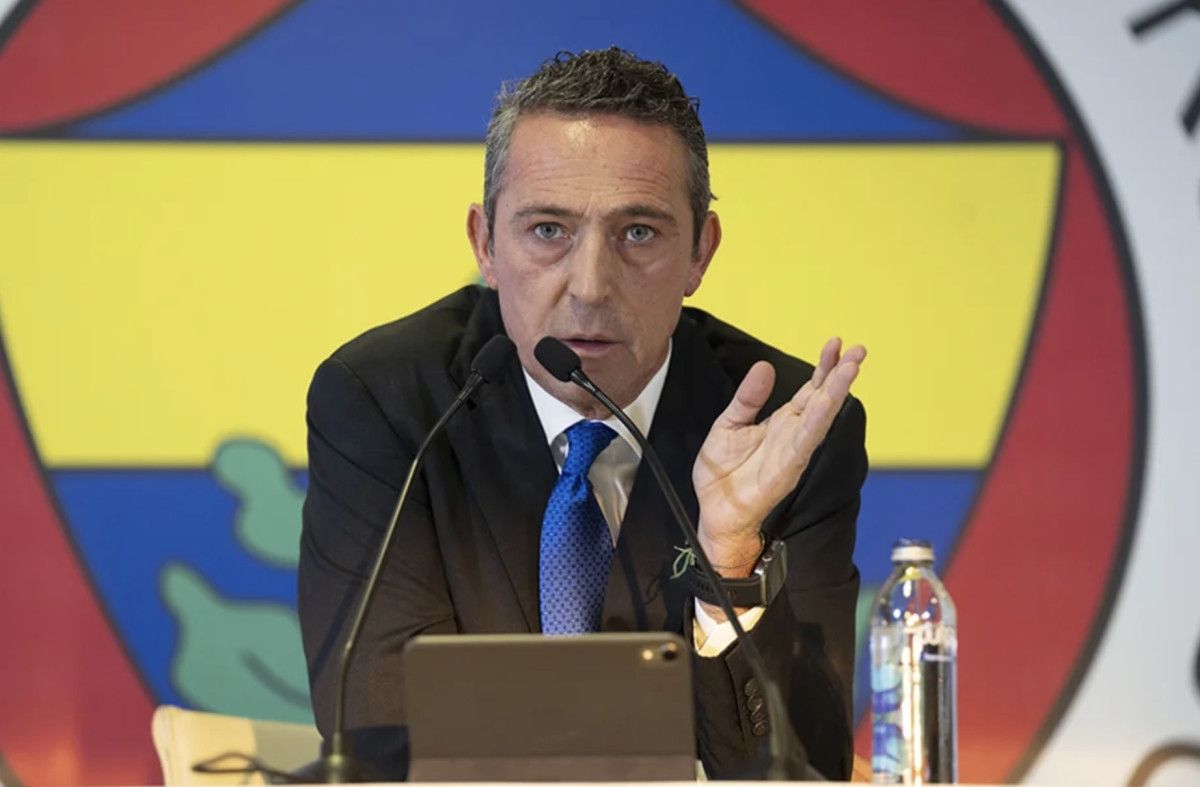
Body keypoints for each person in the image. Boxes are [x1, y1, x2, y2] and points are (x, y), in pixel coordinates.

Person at [298, 47, 867, 780]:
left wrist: (729, 563)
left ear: (701, 252)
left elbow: (803, 768)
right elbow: (381, 736)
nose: (591, 285)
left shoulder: (785, 431)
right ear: (484, 244)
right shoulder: (386, 402)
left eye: (639, 233)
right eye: (548, 230)